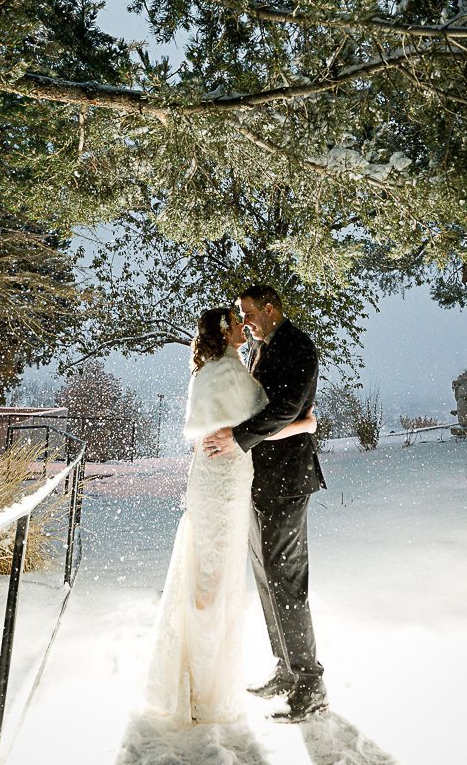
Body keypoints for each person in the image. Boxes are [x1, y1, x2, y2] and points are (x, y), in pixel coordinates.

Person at [144, 306, 317, 726]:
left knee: (250, 577)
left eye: (247, 315)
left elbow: (253, 421)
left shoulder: (224, 367)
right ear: (225, 332)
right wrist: (306, 424)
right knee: (227, 580)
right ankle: (213, 682)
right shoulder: (228, 371)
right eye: (238, 320)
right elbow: (267, 416)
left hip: (228, 485)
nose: (245, 324)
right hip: (228, 487)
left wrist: (293, 424)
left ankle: (302, 678)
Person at [202, 284, 328, 723]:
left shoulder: (297, 345)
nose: (245, 321)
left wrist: (235, 439)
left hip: (288, 483)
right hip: (259, 481)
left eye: (248, 313)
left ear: (270, 308)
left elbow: (287, 409)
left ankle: (310, 681)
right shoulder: (261, 348)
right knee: (266, 575)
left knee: (287, 579)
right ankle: (286, 668)